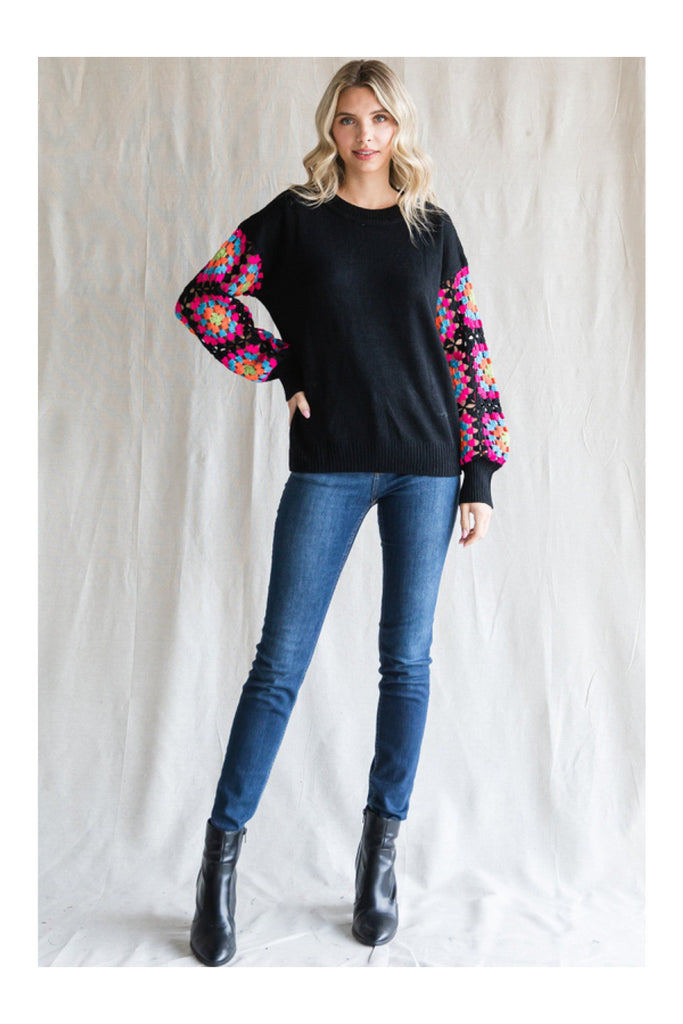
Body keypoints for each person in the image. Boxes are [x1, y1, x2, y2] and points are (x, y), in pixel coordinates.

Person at [175, 58, 509, 967]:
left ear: (400, 129)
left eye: (380, 120)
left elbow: (467, 351)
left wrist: (479, 474)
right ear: (331, 126)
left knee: (406, 664)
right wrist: (280, 364)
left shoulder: (431, 230)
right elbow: (203, 298)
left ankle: (377, 860)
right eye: (350, 119)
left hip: (426, 469)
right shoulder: (294, 220)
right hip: (328, 465)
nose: (365, 136)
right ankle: (218, 866)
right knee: (278, 666)